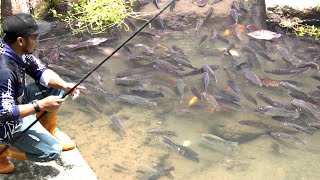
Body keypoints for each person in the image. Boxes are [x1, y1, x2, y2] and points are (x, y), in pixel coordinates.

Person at [0, 13, 84, 174]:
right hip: (3, 119)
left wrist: (65, 85)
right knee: (52, 151)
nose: (37, 41)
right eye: (35, 37)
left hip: (12, 101)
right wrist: (39, 105)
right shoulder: (4, 70)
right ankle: (3, 151)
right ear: (20, 40)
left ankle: (48, 130)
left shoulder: (14, 49)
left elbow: (40, 71)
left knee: (56, 89)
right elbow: (4, 113)